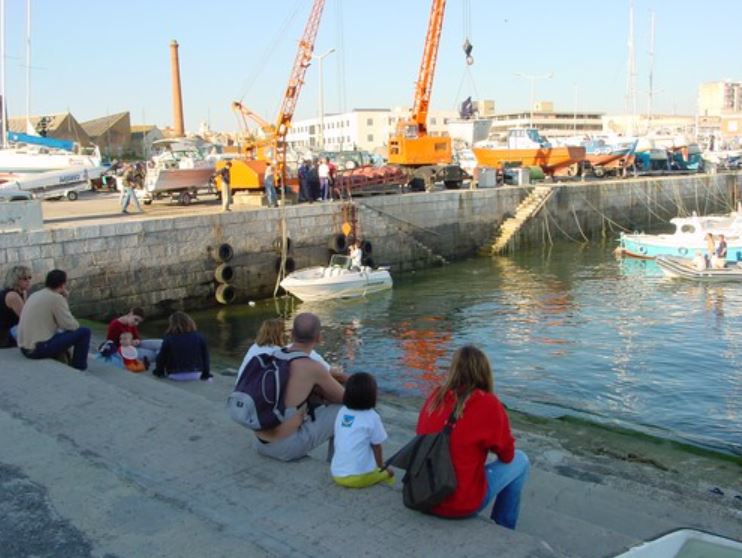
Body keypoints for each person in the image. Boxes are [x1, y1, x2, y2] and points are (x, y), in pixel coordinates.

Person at [416, 345, 529, 529]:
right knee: (521, 461)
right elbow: (507, 456)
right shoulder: (489, 404)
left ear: (453, 369)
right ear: (484, 371)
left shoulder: (436, 396)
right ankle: (504, 526)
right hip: (460, 504)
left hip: (423, 494)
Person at [254, 312, 345, 462]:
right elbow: (348, 398)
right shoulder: (312, 367)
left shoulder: (273, 356)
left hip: (260, 442)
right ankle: (337, 465)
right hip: (284, 448)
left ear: (292, 335)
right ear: (319, 337)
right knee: (345, 410)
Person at [17, 269, 91, 371]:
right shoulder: (56, 298)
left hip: (24, 348)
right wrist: (64, 299)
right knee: (84, 332)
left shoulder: (35, 294)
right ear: (62, 284)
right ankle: (79, 367)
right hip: (37, 349)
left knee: (61, 333)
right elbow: (71, 325)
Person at [236, 318, 346, 386]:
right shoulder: (281, 352)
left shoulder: (254, 347)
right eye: (285, 331)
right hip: (261, 398)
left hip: (242, 388)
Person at [331, 372, 395, 488]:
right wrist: (381, 466)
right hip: (357, 478)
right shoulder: (372, 417)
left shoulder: (342, 411)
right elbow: (377, 446)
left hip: (336, 473)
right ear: (372, 396)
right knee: (389, 473)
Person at [153, 311, 212, 381]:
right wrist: (206, 374)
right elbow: (205, 357)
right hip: (196, 374)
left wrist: (159, 372)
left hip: (174, 374)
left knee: (159, 352)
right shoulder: (199, 337)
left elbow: (161, 358)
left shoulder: (169, 338)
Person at [0, 265, 32, 347]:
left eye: (29, 278)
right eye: (24, 279)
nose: (28, 281)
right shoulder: (12, 295)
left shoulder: (22, 292)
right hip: (5, 336)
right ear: (15, 280)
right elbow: (26, 318)